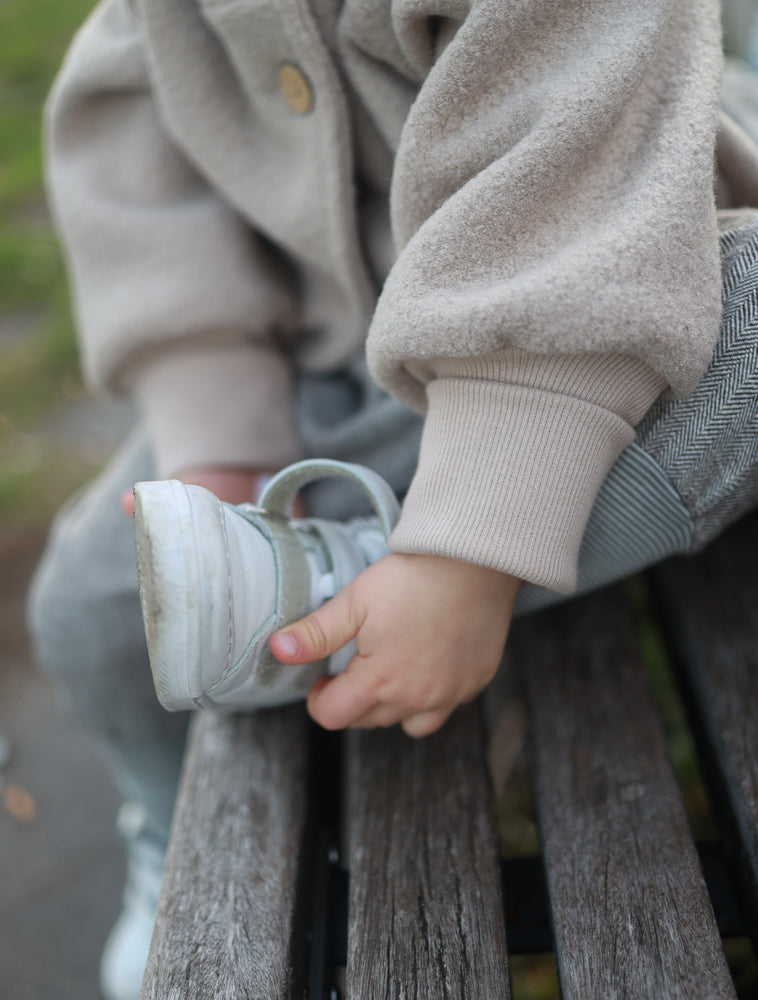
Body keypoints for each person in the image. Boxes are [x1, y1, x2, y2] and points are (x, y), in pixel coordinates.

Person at [26, 1, 758, 997]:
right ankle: (165, 825)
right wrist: (221, 442)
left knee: (755, 327)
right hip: (335, 358)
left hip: (598, 326)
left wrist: (468, 552)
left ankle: (397, 571)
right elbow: (141, 142)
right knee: (85, 607)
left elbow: (579, 161)